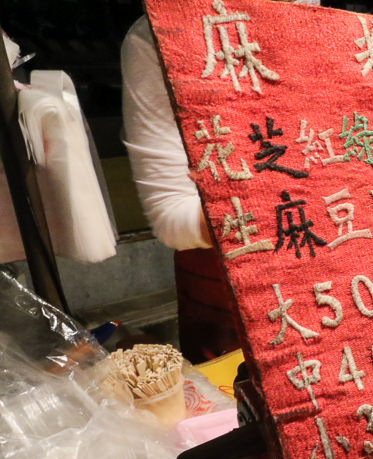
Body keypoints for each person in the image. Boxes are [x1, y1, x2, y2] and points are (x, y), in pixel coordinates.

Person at [121, 0, 318, 362]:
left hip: (338, 280)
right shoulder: (161, 34)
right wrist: (294, 213)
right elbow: (172, 217)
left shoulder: (323, 24)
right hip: (233, 300)